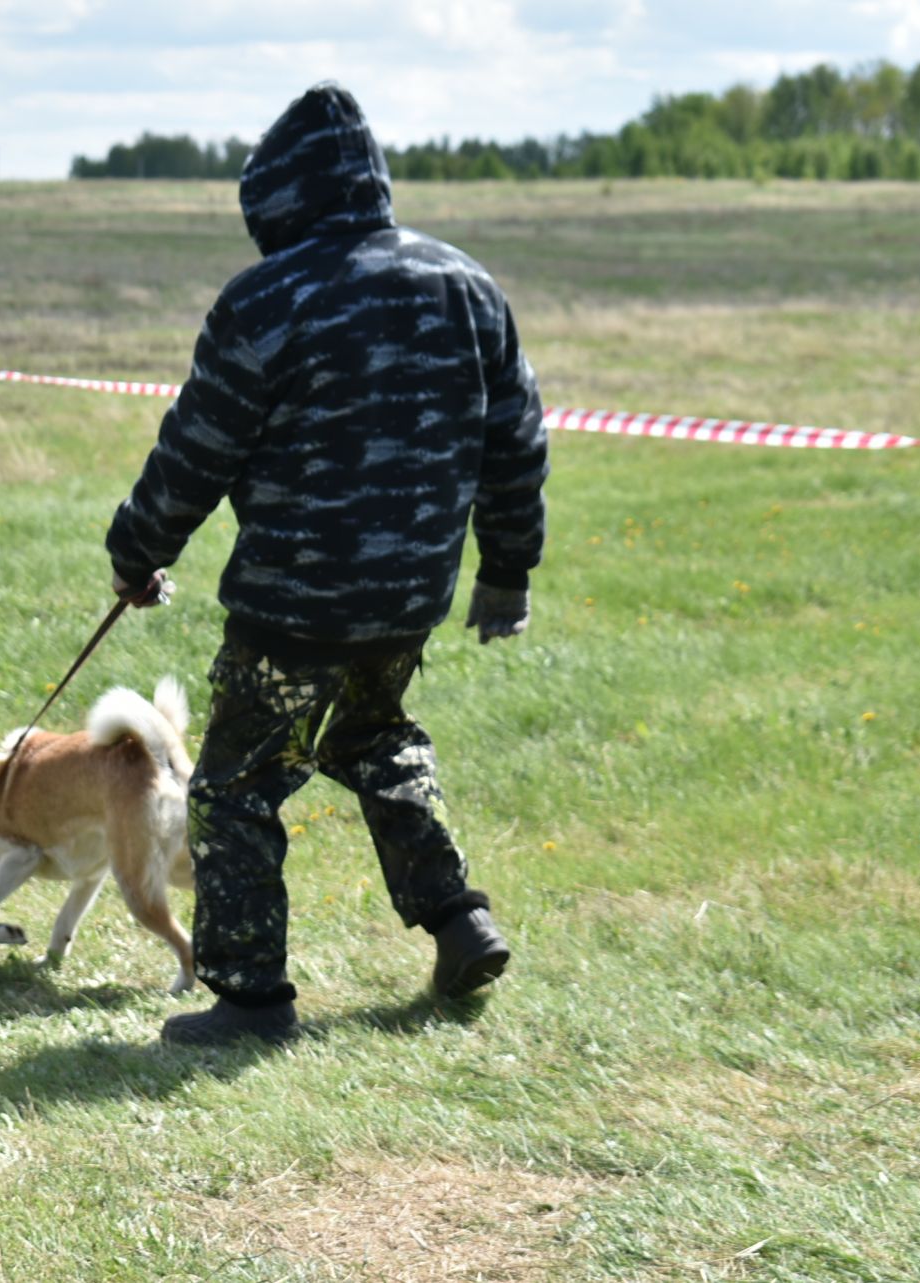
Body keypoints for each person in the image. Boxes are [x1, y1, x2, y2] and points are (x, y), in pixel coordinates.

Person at [104, 83, 548, 1046]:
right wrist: (506, 572)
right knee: (373, 738)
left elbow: (196, 451)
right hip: (409, 598)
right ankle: (459, 918)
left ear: (279, 198)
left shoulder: (265, 301)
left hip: (294, 603)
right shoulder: (468, 285)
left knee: (233, 787)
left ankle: (251, 1000)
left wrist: (135, 554)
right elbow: (518, 439)